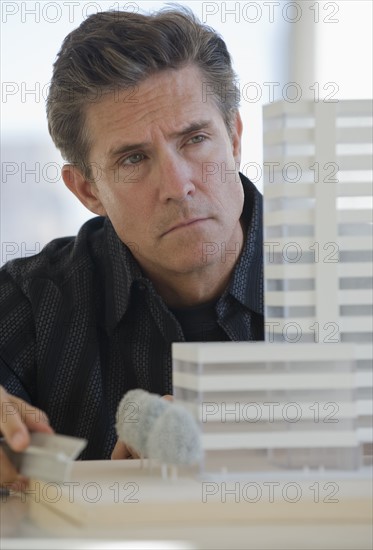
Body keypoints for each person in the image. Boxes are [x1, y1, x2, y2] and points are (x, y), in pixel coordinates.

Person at [0, 7, 263, 488]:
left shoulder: (349, 283)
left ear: (236, 138)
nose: (177, 185)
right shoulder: (28, 301)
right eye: (134, 158)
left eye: (196, 139)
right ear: (87, 191)